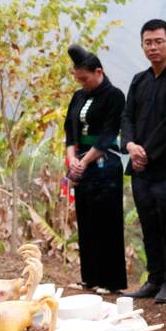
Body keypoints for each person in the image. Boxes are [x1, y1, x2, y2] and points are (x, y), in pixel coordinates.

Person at [121, 19, 166, 304]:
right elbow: (127, 117)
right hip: (140, 169)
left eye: (159, 41)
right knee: (148, 224)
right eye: (148, 42)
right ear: (142, 45)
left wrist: (144, 152)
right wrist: (130, 145)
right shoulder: (139, 80)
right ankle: (154, 278)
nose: (153, 47)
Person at [64, 45, 128, 292]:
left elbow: (108, 134)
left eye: (85, 78)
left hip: (104, 165)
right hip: (80, 164)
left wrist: (85, 160)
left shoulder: (114, 96)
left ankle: (110, 281)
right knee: (87, 220)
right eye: (78, 79)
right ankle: (90, 276)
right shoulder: (79, 96)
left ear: (99, 72)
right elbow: (70, 130)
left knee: (107, 222)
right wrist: (72, 159)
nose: (82, 83)